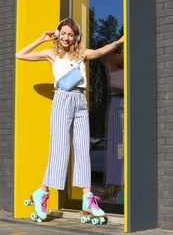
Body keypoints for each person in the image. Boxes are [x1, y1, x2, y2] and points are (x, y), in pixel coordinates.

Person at [15, 18, 124, 220]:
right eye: (63, 33)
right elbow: (19, 54)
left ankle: (87, 198)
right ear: (58, 34)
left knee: (83, 149)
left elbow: (100, 51)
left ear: (76, 37)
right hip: (62, 100)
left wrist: (118, 43)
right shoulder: (51, 54)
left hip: (80, 101)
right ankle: (42, 192)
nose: (66, 37)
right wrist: (41, 39)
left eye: (70, 35)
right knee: (60, 149)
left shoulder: (81, 54)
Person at [102, 48, 124, 203]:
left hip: (126, 102)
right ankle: (116, 189)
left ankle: (119, 187)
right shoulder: (116, 58)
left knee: (124, 149)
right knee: (118, 148)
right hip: (119, 103)